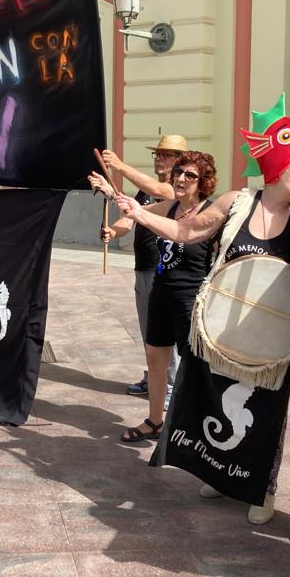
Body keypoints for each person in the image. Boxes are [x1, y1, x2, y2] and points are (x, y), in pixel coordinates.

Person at [118, 114, 290, 524]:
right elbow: (188, 232)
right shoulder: (236, 203)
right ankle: (220, 475)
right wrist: (140, 214)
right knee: (217, 399)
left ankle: (260, 490)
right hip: (227, 333)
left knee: (266, 414)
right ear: (277, 169)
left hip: (271, 342)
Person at [113, 150, 216, 445]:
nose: (181, 178)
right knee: (156, 360)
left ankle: (197, 427)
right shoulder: (171, 206)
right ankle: (155, 421)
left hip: (191, 298)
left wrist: (139, 211)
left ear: (204, 182)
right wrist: (123, 201)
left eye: (190, 175)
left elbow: (184, 234)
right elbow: (138, 212)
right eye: (178, 173)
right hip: (162, 291)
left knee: (195, 366)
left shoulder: (210, 213)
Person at [90, 135, 182, 403]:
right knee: (149, 331)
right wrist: (111, 231)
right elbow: (128, 221)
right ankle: (155, 377)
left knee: (166, 333)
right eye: (157, 154)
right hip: (143, 269)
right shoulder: (145, 191)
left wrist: (119, 166)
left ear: (179, 161)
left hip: (164, 270)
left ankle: (171, 386)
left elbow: (160, 191)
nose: (158, 158)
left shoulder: (176, 188)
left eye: (165, 155)